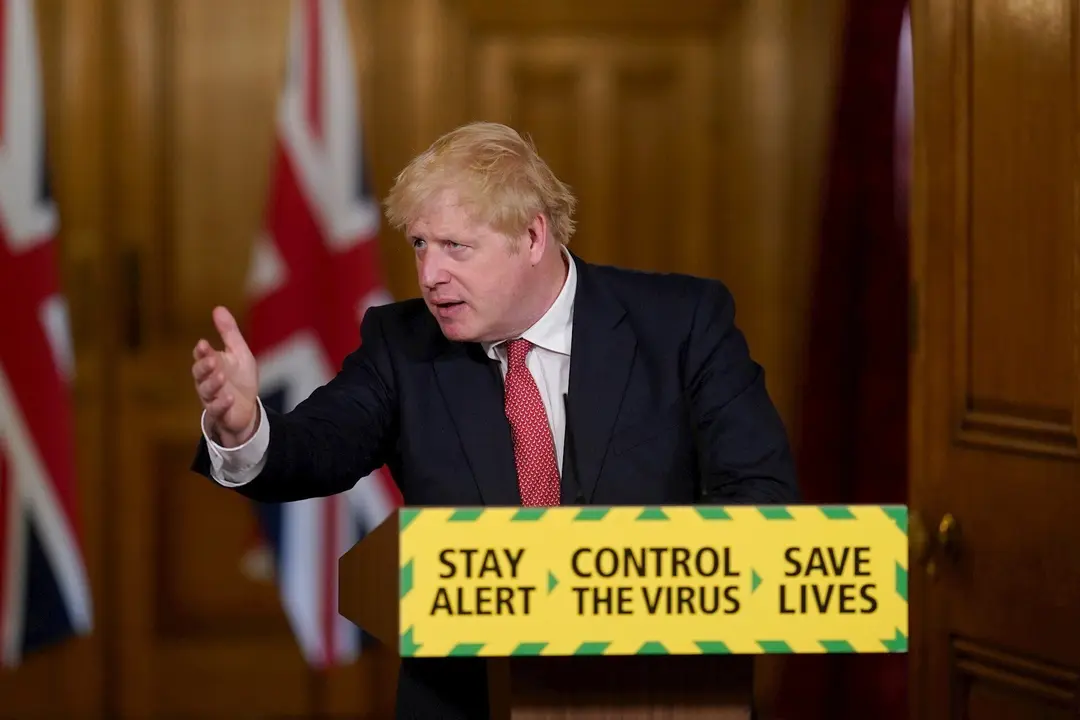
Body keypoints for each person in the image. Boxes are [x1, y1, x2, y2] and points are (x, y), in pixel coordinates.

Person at [190, 121, 799, 718]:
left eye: (457, 246)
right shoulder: (403, 345)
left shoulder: (680, 325)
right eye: (421, 245)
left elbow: (761, 499)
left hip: (662, 692)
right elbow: (320, 445)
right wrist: (244, 429)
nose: (430, 276)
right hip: (465, 699)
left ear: (532, 238)